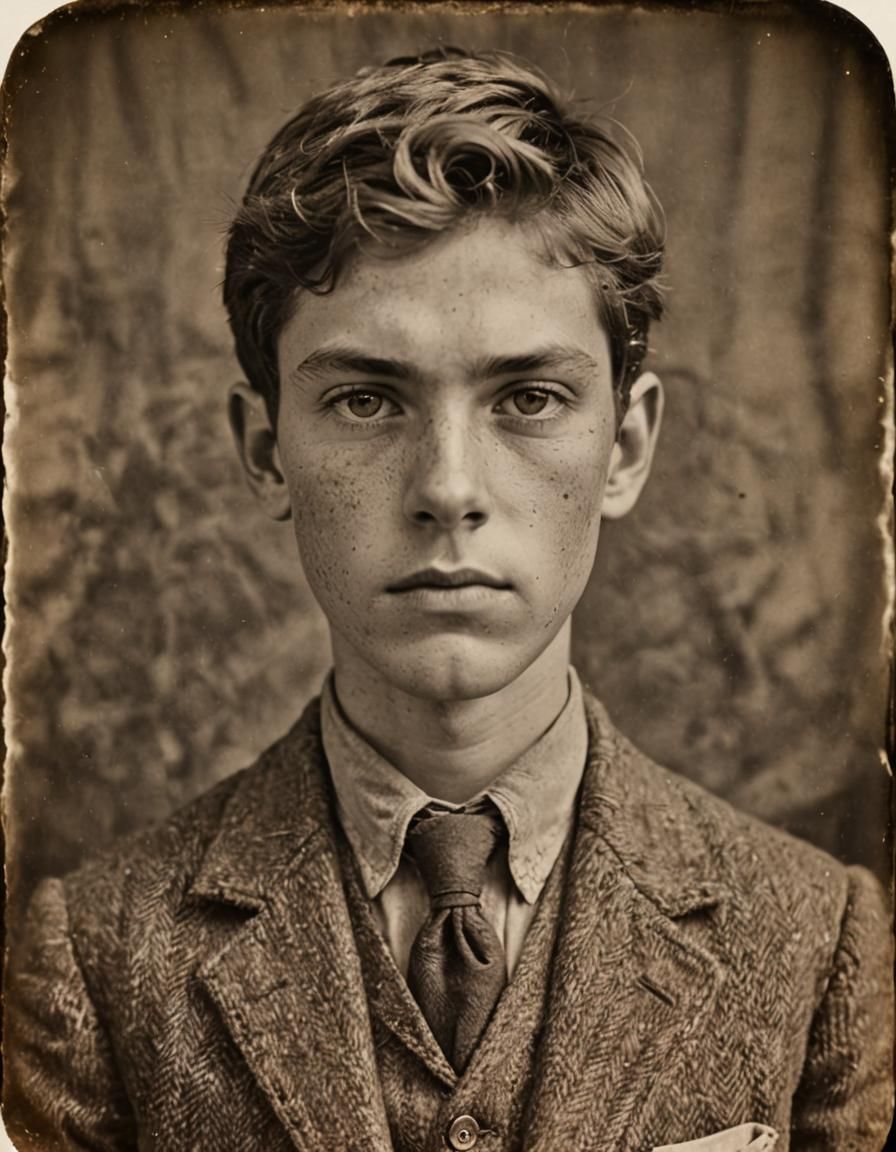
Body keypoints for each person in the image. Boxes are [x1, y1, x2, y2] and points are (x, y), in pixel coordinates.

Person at [3, 47, 891, 1152]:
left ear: (623, 444)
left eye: (527, 397)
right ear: (263, 448)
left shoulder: (818, 938)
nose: (448, 491)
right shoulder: (91, 952)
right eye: (367, 400)